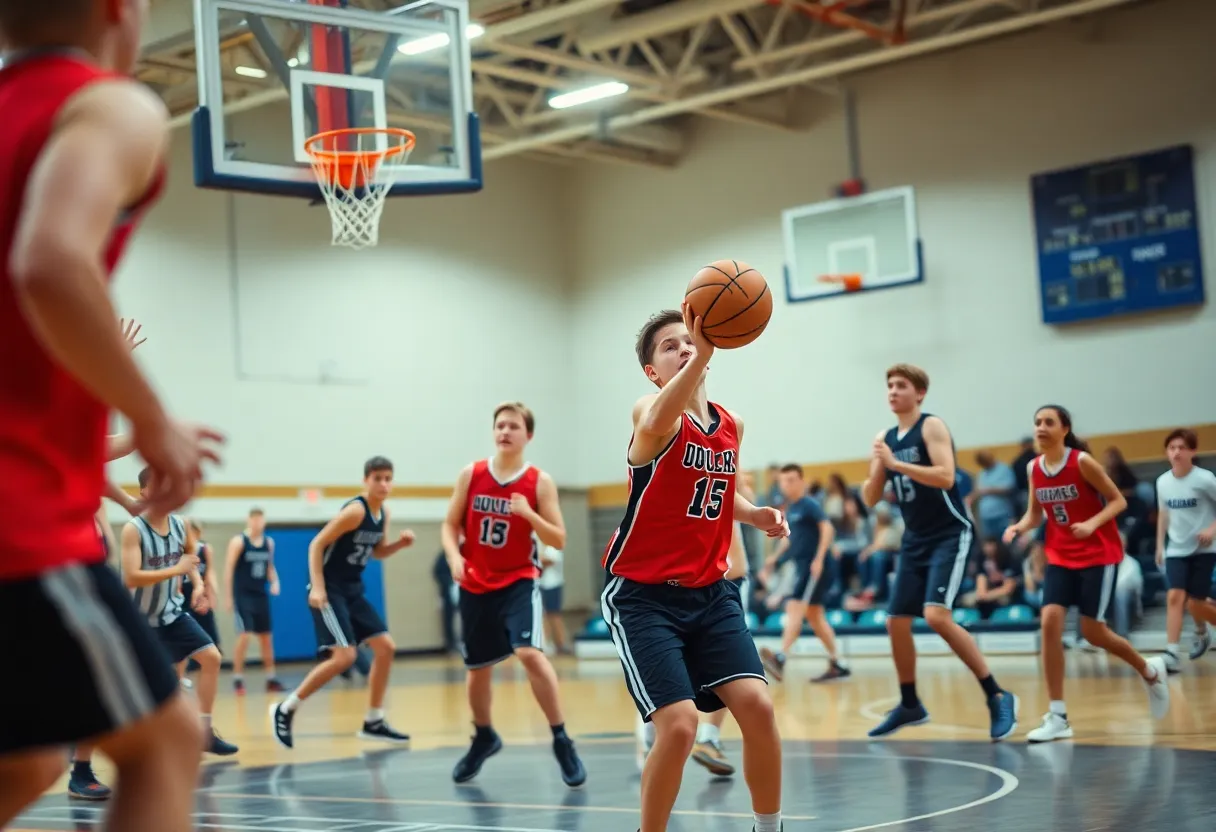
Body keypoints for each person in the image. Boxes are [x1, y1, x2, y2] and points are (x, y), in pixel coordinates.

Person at [0, 2, 226, 827]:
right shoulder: (107, 104)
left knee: (23, 759)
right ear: (118, 12)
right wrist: (152, 417)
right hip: (18, 516)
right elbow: (51, 261)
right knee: (165, 740)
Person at [602, 306, 788, 832]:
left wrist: (757, 515)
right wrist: (704, 348)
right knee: (680, 726)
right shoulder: (650, 411)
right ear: (652, 372)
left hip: (711, 594)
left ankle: (769, 827)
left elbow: (719, 491)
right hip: (643, 597)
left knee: (757, 706)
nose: (686, 347)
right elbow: (659, 421)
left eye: (691, 341)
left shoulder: (732, 425)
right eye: (671, 346)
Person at [860, 364, 1018, 740]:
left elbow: (947, 477)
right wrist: (879, 469)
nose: (893, 391)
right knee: (895, 620)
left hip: (950, 533)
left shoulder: (931, 426)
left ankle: (996, 693)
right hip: (915, 538)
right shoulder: (884, 438)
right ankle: (910, 703)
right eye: (889, 386)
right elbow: (869, 498)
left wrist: (897, 464)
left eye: (901, 385)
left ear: (920, 394)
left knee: (935, 616)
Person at [1004, 405, 1170, 742]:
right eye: (1037, 422)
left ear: (1064, 428)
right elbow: (1035, 515)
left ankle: (1150, 671)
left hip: (1098, 554)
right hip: (1061, 556)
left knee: (1094, 632)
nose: (1041, 427)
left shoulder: (1081, 462)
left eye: (1048, 422)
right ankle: (1058, 716)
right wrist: (1019, 527)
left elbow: (1117, 501)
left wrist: (1092, 524)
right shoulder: (1034, 467)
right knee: (1049, 621)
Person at [441, 402, 585, 787]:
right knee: (477, 670)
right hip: (475, 583)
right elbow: (450, 524)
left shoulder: (539, 482)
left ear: (528, 435)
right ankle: (484, 736)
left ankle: (560, 739)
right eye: (500, 425)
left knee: (528, 654)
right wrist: (454, 556)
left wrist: (530, 515)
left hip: (518, 581)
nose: (505, 431)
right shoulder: (471, 475)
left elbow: (559, 537)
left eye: (513, 426)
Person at [271, 456, 414, 748]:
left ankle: (374, 719)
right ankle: (286, 708)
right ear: (366, 480)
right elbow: (317, 543)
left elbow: (377, 552)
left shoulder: (383, 513)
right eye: (378, 478)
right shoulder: (355, 511)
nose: (384, 484)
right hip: (330, 588)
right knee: (344, 657)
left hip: (352, 589)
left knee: (386, 648)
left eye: (388, 478)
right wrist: (318, 587)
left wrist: (399, 544)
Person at [122, 469, 239, 756]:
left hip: (171, 614)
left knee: (211, 657)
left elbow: (191, 558)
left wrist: (198, 585)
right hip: (140, 621)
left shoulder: (181, 525)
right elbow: (131, 577)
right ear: (144, 493)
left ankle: (204, 731)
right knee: (149, 687)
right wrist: (177, 570)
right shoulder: (133, 529)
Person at [759, 464, 849, 683]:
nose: (786, 484)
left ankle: (781, 657)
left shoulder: (809, 504)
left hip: (814, 567)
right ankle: (838, 662)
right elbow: (791, 539)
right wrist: (774, 558)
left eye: (791, 480)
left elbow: (827, 528)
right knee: (815, 616)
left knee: (794, 606)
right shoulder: (792, 507)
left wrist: (819, 558)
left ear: (801, 481)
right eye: (783, 480)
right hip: (802, 567)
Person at [1154, 428, 1216, 670]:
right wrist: (1160, 545)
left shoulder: (1205, 479)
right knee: (1175, 596)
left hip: (1204, 549)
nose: (1177, 452)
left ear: (1192, 451)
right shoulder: (1162, 482)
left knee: (1195, 603)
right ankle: (1171, 652)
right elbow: (1163, 514)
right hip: (1176, 549)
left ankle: (1201, 630)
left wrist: (1211, 530)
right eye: (1172, 448)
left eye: (1182, 448)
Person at [224, 508, 283, 693]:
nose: (258, 523)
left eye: (261, 520)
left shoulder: (269, 542)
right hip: (243, 596)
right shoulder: (239, 541)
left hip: (260, 595)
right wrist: (228, 597)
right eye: (255, 520)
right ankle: (238, 679)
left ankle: (271, 678)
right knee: (244, 636)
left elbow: (270, 567)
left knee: (266, 638)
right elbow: (229, 570)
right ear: (248, 521)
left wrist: (275, 581)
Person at [179, 518, 220, 677]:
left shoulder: (205, 549)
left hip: (200, 596)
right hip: (184, 596)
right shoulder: (180, 550)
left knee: (210, 637)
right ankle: (182, 674)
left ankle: (206, 670)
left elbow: (209, 573)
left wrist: (211, 595)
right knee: (183, 636)